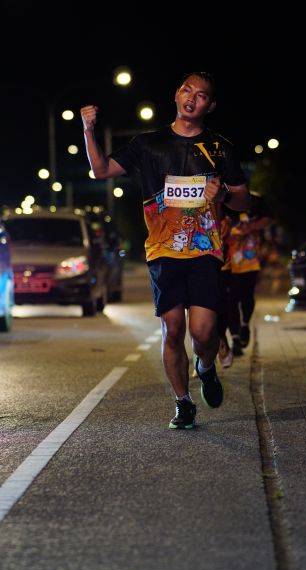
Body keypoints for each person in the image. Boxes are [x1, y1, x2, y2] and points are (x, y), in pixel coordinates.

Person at [80, 71, 250, 430]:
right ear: (176, 94)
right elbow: (101, 170)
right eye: (187, 90)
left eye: (201, 95)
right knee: (173, 329)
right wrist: (88, 130)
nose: (192, 98)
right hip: (162, 251)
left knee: (204, 332)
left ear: (210, 105)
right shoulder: (148, 144)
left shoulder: (220, 148)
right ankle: (183, 403)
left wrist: (223, 195)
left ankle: (206, 367)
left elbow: (242, 199)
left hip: (204, 251)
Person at [224, 192, 273, 356]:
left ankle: (245, 324)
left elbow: (269, 218)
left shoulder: (255, 199)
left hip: (250, 259)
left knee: (247, 297)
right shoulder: (221, 196)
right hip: (227, 262)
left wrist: (250, 227)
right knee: (231, 300)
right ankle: (235, 339)